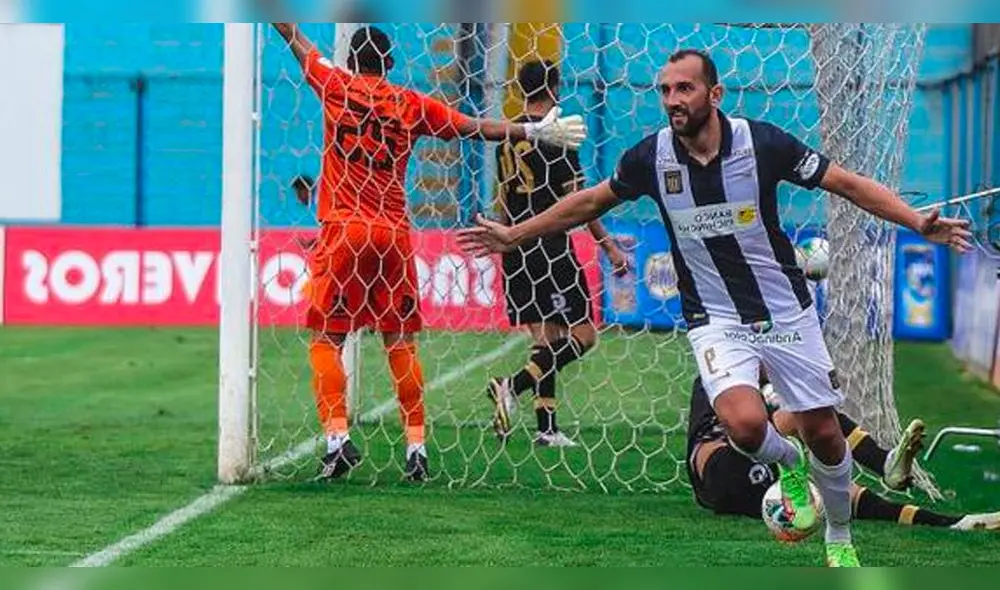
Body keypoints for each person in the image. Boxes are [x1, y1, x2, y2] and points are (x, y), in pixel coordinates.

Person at [457, 48, 971, 565]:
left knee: (823, 431)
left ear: (715, 94)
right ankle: (789, 464)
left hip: (785, 311)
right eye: (665, 90)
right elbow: (591, 200)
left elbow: (848, 184)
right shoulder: (651, 157)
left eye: (684, 88)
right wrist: (514, 234)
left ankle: (838, 536)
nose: (672, 100)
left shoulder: (763, 143)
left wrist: (916, 222)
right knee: (743, 425)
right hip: (714, 318)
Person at [272, 23, 587, 482]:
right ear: (390, 64)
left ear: (350, 62)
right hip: (394, 236)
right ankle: (416, 449)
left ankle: (337, 441)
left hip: (343, 229)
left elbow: (295, 39)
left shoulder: (334, 84)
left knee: (327, 338)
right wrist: (533, 129)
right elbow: (474, 128)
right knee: (400, 342)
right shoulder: (410, 103)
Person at [488, 60, 630, 447]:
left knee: (545, 340)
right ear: (554, 89)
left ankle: (547, 429)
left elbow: (504, 196)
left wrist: (505, 239)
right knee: (584, 335)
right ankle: (511, 385)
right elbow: (580, 202)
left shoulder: (508, 135)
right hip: (549, 245)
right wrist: (609, 246)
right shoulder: (557, 136)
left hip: (515, 244)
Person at [687, 372, 1000, 532]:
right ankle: (885, 462)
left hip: (745, 489)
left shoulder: (743, 371)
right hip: (724, 470)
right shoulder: (720, 376)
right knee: (805, 413)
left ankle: (953, 524)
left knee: (844, 494)